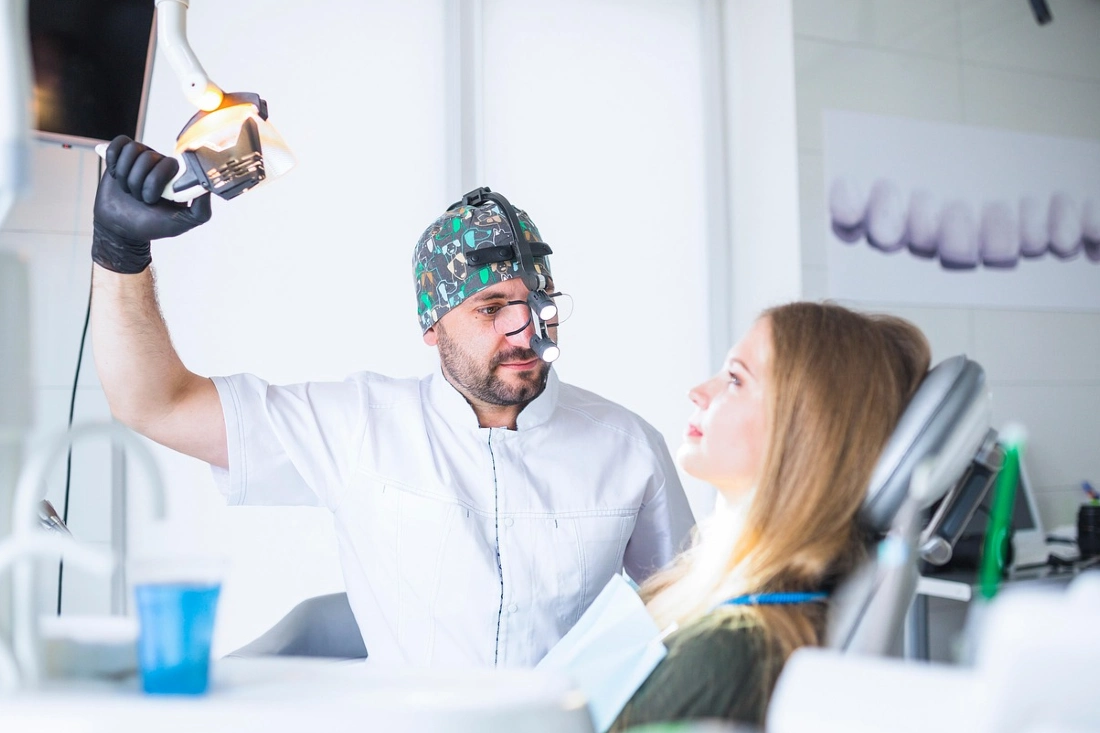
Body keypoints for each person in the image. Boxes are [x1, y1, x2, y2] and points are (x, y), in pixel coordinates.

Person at [89, 136, 694, 669]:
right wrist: (120, 253)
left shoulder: (630, 449)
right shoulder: (359, 426)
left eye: (537, 303)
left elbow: (689, 625)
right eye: (490, 308)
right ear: (432, 325)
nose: (524, 330)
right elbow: (156, 404)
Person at [610, 301, 931, 731]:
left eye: (735, 379)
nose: (699, 391)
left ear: (805, 430)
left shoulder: (727, 651)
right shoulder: (698, 594)